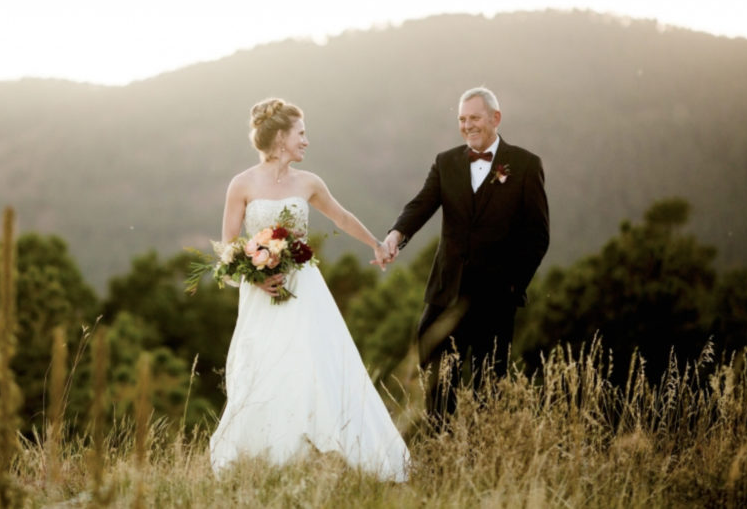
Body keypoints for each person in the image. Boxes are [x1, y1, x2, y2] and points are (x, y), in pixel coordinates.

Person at [209, 98, 410, 482]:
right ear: (281, 137)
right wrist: (256, 275)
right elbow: (227, 247)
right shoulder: (242, 184)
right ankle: (265, 459)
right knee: (266, 368)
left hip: (306, 289)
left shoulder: (309, 182)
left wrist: (376, 244)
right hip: (262, 293)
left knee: (315, 363)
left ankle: (324, 455)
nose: (306, 141)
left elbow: (342, 216)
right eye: (301, 133)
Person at [383, 87, 549, 418]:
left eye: (474, 117)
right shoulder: (446, 162)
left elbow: (538, 236)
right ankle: (440, 457)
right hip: (445, 293)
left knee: (490, 389)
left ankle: (481, 461)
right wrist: (395, 235)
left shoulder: (526, 165)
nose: (467, 125)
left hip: (496, 298)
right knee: (436, 387)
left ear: (495, 118)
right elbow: (421, 205)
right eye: (462, 119)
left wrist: (513, 286)